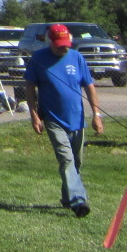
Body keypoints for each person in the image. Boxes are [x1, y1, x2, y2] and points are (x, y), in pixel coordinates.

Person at [25, 23, 105, 217]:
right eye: (59, 44)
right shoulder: (38, 59)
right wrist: (34, 116)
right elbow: (29, 88)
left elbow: (89, 86)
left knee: (76, 162)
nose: (64, 47)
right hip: (53, 119)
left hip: (77, 118)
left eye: (66, 43)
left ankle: (66, 197)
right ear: (49, 41)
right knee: (66, 159)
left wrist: (97, 115)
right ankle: (79, 201)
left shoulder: (77, 57)